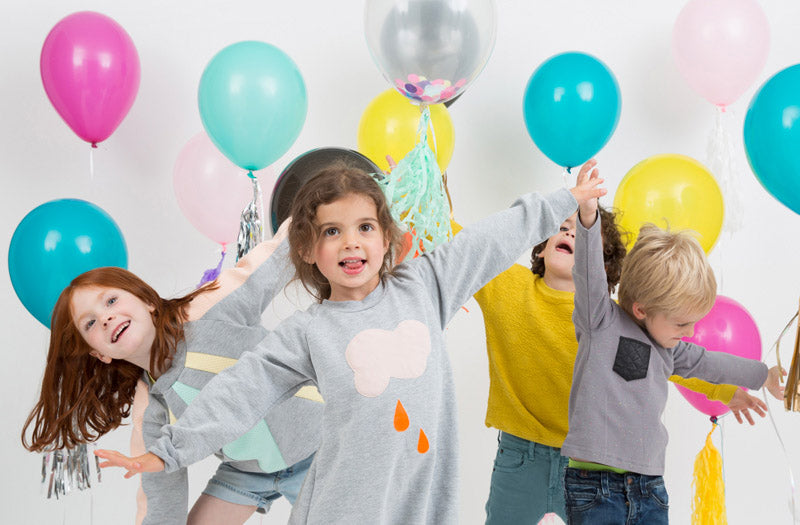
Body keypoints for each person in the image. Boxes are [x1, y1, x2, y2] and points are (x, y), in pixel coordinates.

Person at [93, 163, 605, 524]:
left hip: (424, 497)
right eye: (332, 232)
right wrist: (170, 452)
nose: (351, 242)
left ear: (386, 238)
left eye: (364, 227)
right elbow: (238, 391)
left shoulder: (426, 285)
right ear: (310, 252)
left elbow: (492, 239)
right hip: (343, 507)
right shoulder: (309, 331)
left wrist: (564, 200)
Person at [475, 161, 768, 524]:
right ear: (539, 248)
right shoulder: (507, 286)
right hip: (522, 458)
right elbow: (460, 246)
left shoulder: (611, 323)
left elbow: (672, 364)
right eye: (559, 227)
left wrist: (726, 391)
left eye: (579, 235)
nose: (567, 233)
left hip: (590, 466)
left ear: (603, 269)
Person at [21, 223, 323, 525]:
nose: (105, 318)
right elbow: (161, 497)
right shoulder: (151, 409)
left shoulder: (209, 311)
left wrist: (317, 208)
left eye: (111, 301)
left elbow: (269, 263)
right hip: (247, 473)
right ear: (100, 354)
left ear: (148, 301)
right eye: (89, 323)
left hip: (319, 448)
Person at [560, 164, 784, 525]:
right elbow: (589, 273)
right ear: (641, 309)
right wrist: (588, 218)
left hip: (649, 487)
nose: (691, 331)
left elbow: (714, 363)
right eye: (682, 322)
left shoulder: (671, 350)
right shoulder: (600, 320)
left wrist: (764, 375)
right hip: (595, 486)